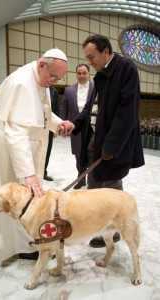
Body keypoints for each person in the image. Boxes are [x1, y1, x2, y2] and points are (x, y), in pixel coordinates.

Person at [0, 48, 74, 264]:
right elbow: (16, 133)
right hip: (10, 148)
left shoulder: (40, 79)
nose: (53, 81)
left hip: (24, 147)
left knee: (26, 196)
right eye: (52, 76)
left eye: (58, 78)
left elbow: (41, 111)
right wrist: (28, 174)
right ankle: (13, 245)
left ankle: (25, 241)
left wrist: (58, 123)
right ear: (42, 64)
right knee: (12, 195)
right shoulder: (22, 83)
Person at [72, 34, 144, 247]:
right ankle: (98, 227)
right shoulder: (101, 74)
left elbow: (127, 112)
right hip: (98, 138)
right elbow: (92, 106)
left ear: (106, 52)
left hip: (115, 142)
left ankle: (114, 230)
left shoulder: (126, 69)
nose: (90, 61)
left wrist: (111, 145)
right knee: (94, 185)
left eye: (92, 57)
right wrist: (76, 124)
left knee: (111, 188)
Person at [62, 64, 95, 188]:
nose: (81, 75)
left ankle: (92, 180)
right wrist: (63, 126)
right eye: (79, 73)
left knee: (91, 153)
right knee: (78, 154)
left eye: (84, 73)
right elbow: (64, 108)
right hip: (75, 127)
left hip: (91, 127)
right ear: (76, 74)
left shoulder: (95, 88)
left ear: (89, 74)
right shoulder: (68, 90)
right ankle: (81, 179)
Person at [43, 86, 59, 181]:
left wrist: (56, 127)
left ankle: (43, 172)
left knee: (47, 150)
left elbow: (56, 110)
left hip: (49, 126)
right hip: (36, 126)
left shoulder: (54, 91)